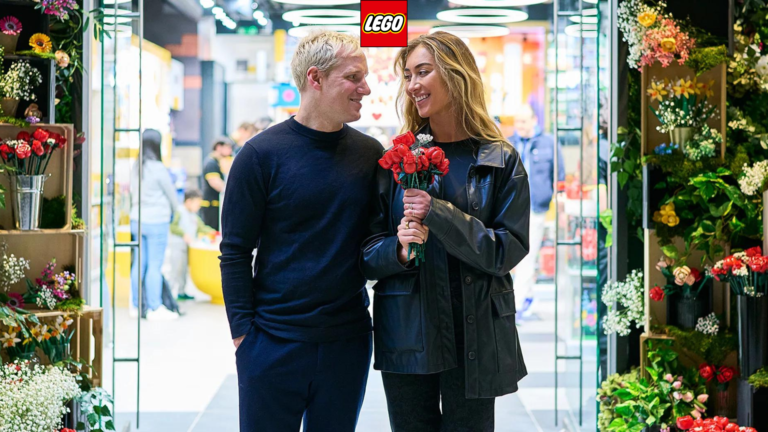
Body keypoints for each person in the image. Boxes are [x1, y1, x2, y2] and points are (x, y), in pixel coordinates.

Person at [361, 31, 530, 431]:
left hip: (476, 334)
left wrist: (440, 213)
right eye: (407, 76)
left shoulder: (499, 159)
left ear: (456, 74)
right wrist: (399, 251)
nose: (413, 85)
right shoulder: (398, 159)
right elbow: (367, 252)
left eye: (423, 72)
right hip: (408, 330)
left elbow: (508, 249)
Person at [220, 31, 381, 431]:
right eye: (354, 77)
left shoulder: (370, 155)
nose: (366, 87)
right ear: (316, 78)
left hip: (347, 341)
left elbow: (376, 244)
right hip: (271, 342)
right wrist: (244, 336)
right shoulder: (260, 155)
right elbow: (235, 252)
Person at [508, 103, 565, 318]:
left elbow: (559, 175)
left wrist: (560, 208)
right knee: (517, 255)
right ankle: (526, 297)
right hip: (512, 209)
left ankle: (517, 304)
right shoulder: (509, 144)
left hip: (536, 209)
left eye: (523, 121)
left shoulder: (549, 143)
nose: (519, 126)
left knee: (527, 256)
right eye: (517, 122)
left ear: (533, 120)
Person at [129, 129, 179, 321]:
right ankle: (154, 307)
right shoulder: (158, 168)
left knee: (139, 263)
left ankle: (135, 305)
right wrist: (176, 211)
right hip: (157, 220)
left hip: (137, 220)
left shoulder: (136, 166)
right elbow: (171, 195)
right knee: (155, 265)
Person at [167, 188, 215, 301]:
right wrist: (183, 234)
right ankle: (168, 295)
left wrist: (213, 232)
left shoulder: (194, 216)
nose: (198, 207)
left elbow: (201, 228)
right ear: (189, 201)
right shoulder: (179, 211)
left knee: (183, 271)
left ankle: (181, 292)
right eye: (197, 204)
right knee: (175, 270)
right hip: (177, 247)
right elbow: (173, 226)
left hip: (187, 248)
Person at [200, 137, 233, 230]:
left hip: (216, 204)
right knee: (212, 231)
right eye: (228, 148)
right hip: (211, 206)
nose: (230, 151)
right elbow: (215, 183)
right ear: (219, 147)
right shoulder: (211, 163)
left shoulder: (218, 162)